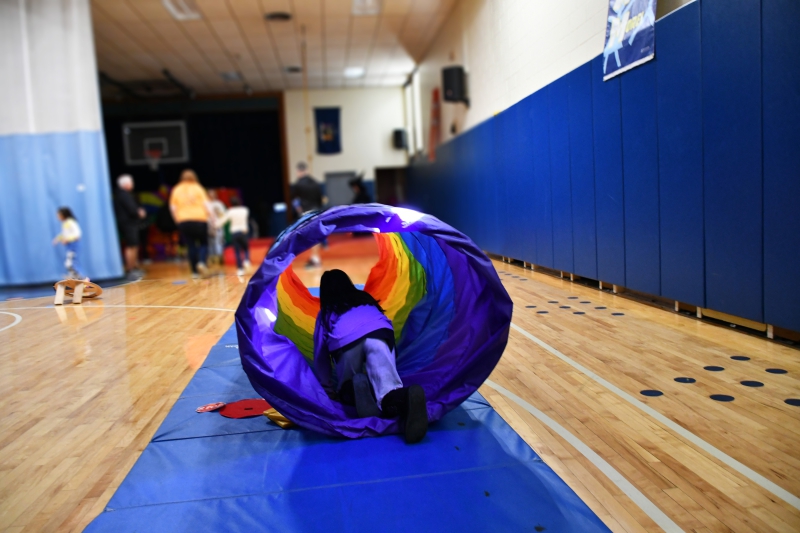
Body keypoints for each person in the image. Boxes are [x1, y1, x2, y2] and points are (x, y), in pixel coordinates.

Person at [312, 269, 428, 444]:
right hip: (379, 333)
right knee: (388, 389)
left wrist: (327, 390)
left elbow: (320, 355)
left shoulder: (327, 311)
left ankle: (353, 387)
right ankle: (404, 398)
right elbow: (382, 320)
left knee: (346, 387)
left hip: (345, 341)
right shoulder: (365, 299)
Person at [169, 169, 211, 278]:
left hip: (184, 220)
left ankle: (194, 272)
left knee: (191, 245)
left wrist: (177, 220)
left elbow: (173, 207)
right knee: (203, 243)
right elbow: (206, 204)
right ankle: (201, 262)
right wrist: (211, 217)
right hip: (200, 219)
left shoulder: (176, 189)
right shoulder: (198, 187)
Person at [113, 174, 146, 279]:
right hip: (128, 224)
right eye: (131, 182)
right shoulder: (123, 195)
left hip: (129, 223)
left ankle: (134, 267)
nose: (132, 184)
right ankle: (130, 269)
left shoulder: (122, 194)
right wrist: (139, 212)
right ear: (125, 184)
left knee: (134, 245)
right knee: (131, 246)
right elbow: (132, 210)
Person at [291, 162, 323, 268]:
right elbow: (320, 198)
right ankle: (315, 257)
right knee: (316, 235)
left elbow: (294, 199)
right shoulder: (315, 183)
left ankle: (315, 259)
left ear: (299, 171)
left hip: (306, 212)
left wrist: (298, 208)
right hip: (317, 211)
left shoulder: (298, 184)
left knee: (309, 236)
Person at [216, 197, 251, 276]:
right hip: (243, 231)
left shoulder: (230, 211)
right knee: (246, 248)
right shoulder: (245, 210)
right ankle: (246, 260)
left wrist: (216, 225)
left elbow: (223, 220)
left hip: (234, 233)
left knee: (237, 251)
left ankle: (240, 269)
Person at [52, 207, 86, 280]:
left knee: (71, 263)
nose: (58, 217)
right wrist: (57, 239)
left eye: (59, 215)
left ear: (64, 215)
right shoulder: (65, 223)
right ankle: (75, 278)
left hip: (74, 246)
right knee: (69, 263)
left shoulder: (71, 222)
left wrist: (67, 239)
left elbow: (77, 234)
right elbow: (64, 234)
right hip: (69, 246)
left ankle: (82, 278)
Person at [207, 189, 227, 261]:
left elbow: (223, 215)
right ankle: (212, 259)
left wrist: (219, 223)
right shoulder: (206, 204)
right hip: (208, 226)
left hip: (218, 226)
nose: (211, 195)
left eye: (213, 194)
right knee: (210, 243)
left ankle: (219, 258)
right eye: (210, 194)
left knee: (218, 242)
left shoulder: (219, 204)